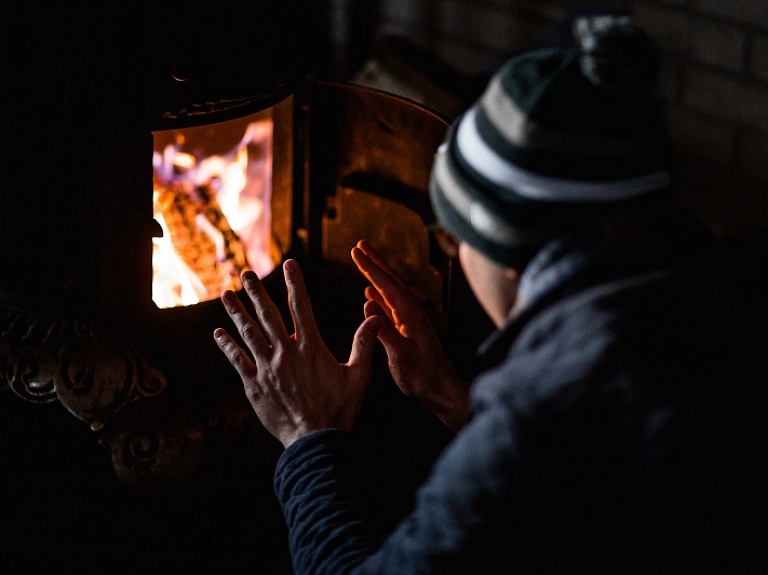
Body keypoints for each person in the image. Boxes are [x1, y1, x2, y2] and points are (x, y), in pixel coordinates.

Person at [213, 14, 758, 573]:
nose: (453, 253)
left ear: (505, 249)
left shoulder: (534, 415)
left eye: (457, 235)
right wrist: (452, 397)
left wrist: (308, 435)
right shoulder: (721, 290)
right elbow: (571, 492)